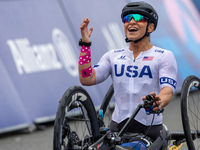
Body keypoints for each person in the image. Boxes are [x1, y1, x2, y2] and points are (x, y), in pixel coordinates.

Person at [78, 1, 178, 142]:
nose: (131, 22)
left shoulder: (163, 56)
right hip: (117, 128)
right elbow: (86, 79)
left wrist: (158, 101)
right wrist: (85, 45)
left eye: (138, 18)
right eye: (127, 18)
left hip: (148, 129)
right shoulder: (113, 56)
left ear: (150, 27)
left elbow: (167, 91)